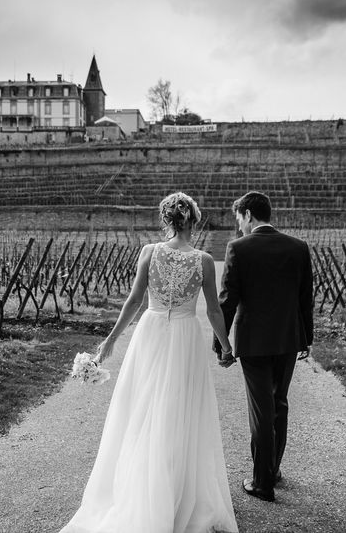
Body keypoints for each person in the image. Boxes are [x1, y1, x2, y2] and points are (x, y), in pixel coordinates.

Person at [60, 192, 239, 533]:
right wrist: (226, 347)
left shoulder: (149, 252)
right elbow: (214, 311)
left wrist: (110, 342)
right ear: (194, 222)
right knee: (179, 410)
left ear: (166, 220)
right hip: (185, 335)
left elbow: (134, 300)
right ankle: (172, 489)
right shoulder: (202, 260)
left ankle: (144, 487)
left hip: (151, 331)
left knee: (143, 408)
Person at [214, 191, 313, 503]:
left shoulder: (238, 248)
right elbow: (304, 297)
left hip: (253, 343)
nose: (239, 226)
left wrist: (221, 344)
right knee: (279, 404)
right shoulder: (298, 247)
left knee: (261, 411)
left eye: (239, 220)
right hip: (287, 339)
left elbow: (227, 300)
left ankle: (262, 483)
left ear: (248, 215)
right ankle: (272, 469)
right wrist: (306, 338)